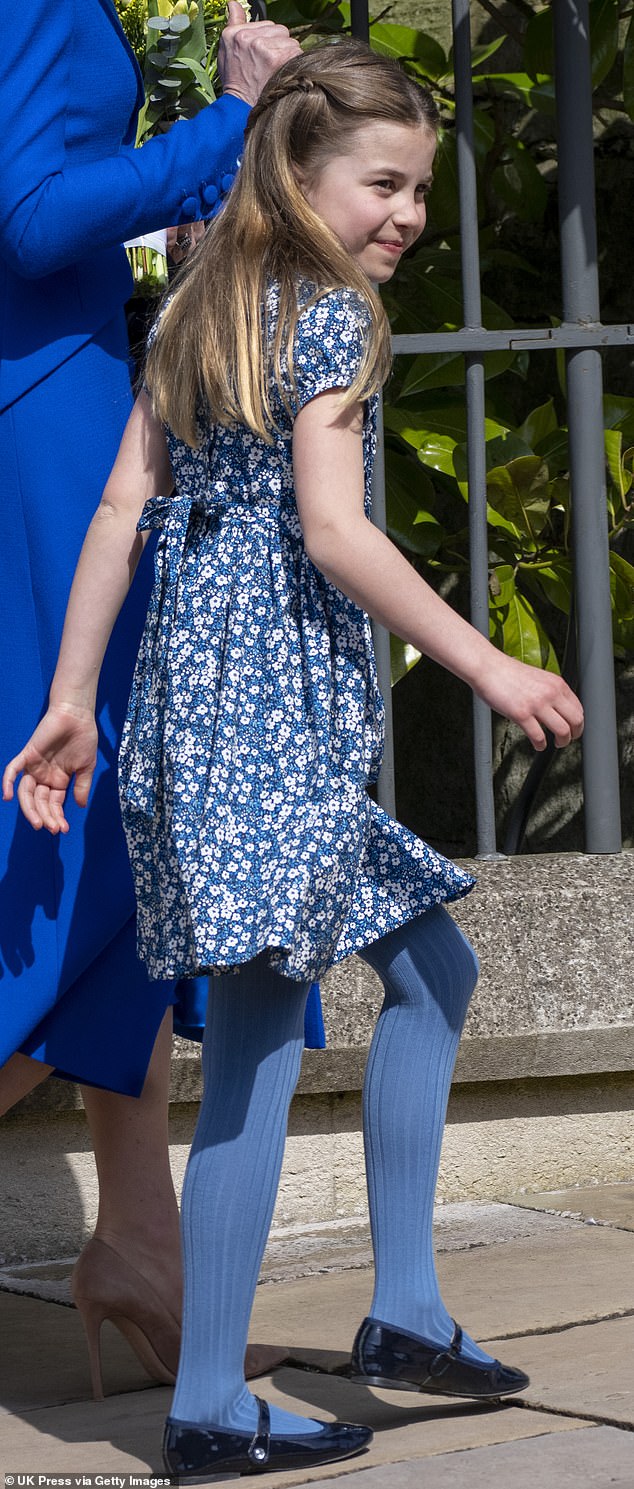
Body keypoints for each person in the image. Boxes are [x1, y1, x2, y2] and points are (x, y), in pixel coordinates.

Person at [3, 39, 584, 1479]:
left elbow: (118, 509)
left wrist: (78, 696)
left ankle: (398, 1311)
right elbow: (334, 531)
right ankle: (206, 1400)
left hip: (200, 729)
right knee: (258, 1047)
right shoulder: (324, 316)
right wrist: (490, 660)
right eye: (382, 184)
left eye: (417, 193)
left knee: (430, 968)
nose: (406, 216)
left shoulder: (201, 301)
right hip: (263, 738)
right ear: (297, 174)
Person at [0, 0, 310, 1398]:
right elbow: (28, 220)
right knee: (102, 838)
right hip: (42, 426)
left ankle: (141, 1246)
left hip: (59, 399)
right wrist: (233, 126)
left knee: (133, 831)